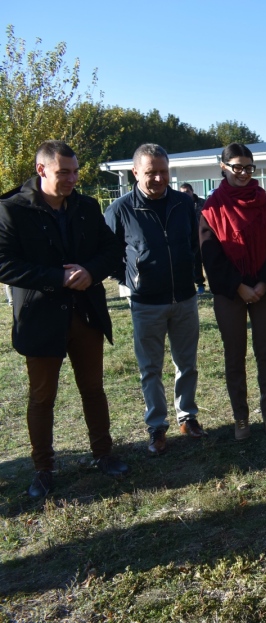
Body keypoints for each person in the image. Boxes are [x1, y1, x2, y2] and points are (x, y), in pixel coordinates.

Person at [0, 140, 129, 498]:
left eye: (75, 172)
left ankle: (103, 454)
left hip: (85, 315)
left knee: (93, 389)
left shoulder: (86, 207)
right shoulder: (12, 210)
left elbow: (112, 249)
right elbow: (5, 264)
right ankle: (43, 468)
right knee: (42, 397)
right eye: (64, 173)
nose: (73, 178)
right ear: (42, 170)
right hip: (40, 319)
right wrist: (58, 277)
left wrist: (91, 271)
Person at [105, 144, 205, 456]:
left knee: (186, 363)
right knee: (151, 368)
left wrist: (194, 277)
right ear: (136, 172)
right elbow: (107, 255)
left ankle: (187, 416)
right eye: (151, 172)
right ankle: (156, 425)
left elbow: (193, 244)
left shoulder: (183, 203)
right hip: (146, 303)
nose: (159, 178)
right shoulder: (120, 209)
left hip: (184, 299)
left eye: (163, 171)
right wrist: (131, 281)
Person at [200, 144, 266, 439]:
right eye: (237, 167)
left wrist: (263, 284)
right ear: (223, 167)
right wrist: (239, 287)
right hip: (230, 292)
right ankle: (240, 417)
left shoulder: (265, 203)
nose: (243, 173)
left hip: (265, 290)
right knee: (234, 355)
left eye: (249, 167)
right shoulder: (212, 208)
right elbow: (211, 257)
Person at [180, 183, 206, 295]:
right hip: (191, 237)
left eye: (187, 191)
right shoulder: (180, 205)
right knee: (195, 262)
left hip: (205, 236)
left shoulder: (203, 203)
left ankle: (216, 283)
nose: (185, 194)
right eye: (182, 192)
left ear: (192, 191)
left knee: (209, 260)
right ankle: (200, 284)